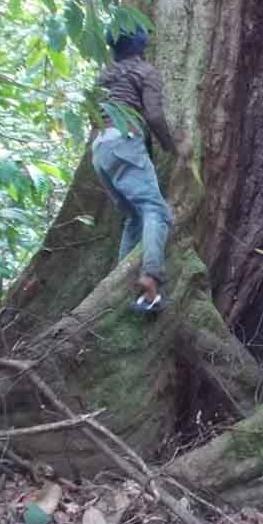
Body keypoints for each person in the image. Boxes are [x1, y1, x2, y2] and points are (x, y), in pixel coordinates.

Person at [91, 28, 180, 314]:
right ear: (141, 45)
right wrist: (173, 147)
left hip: (100, 150)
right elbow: (153, 115)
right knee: (157, 211)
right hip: (124, 142)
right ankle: (150, 280)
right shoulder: (144, 71)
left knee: (133, 217)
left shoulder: (105, 75)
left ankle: (119, 287)